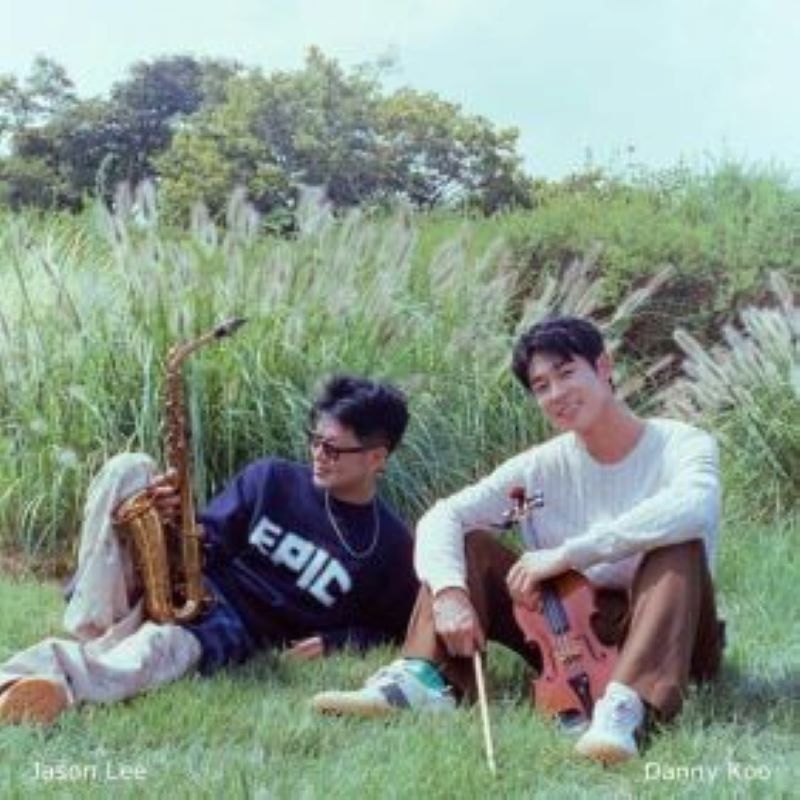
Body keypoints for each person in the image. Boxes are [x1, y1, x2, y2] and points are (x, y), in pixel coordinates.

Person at [312, 317, 725, 765]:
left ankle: (625, 709)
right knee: (469, 542)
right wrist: (449, 594)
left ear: (604, 367)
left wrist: (569, 554)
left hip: (673, 630)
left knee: (677, 543)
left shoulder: (680, 443)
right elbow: (442, 516)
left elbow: (694, 506)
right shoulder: (538, 468)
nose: (556, 394)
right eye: (541, 386)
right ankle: (423, 680)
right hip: (570, 635)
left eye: (566, 373)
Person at [0, 375, 418, 725]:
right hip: (188, 584)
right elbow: (209, 539)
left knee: (159, 648)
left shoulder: (390, 544)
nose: (318, 455)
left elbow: (398, 628)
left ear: (376, 458)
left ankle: (47, 685)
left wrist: (337, 640)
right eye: (315, 441)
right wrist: (171, 519)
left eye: (333, 448)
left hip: (230, 627)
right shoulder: (271, 478)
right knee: (130, 469)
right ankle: (95, 634)